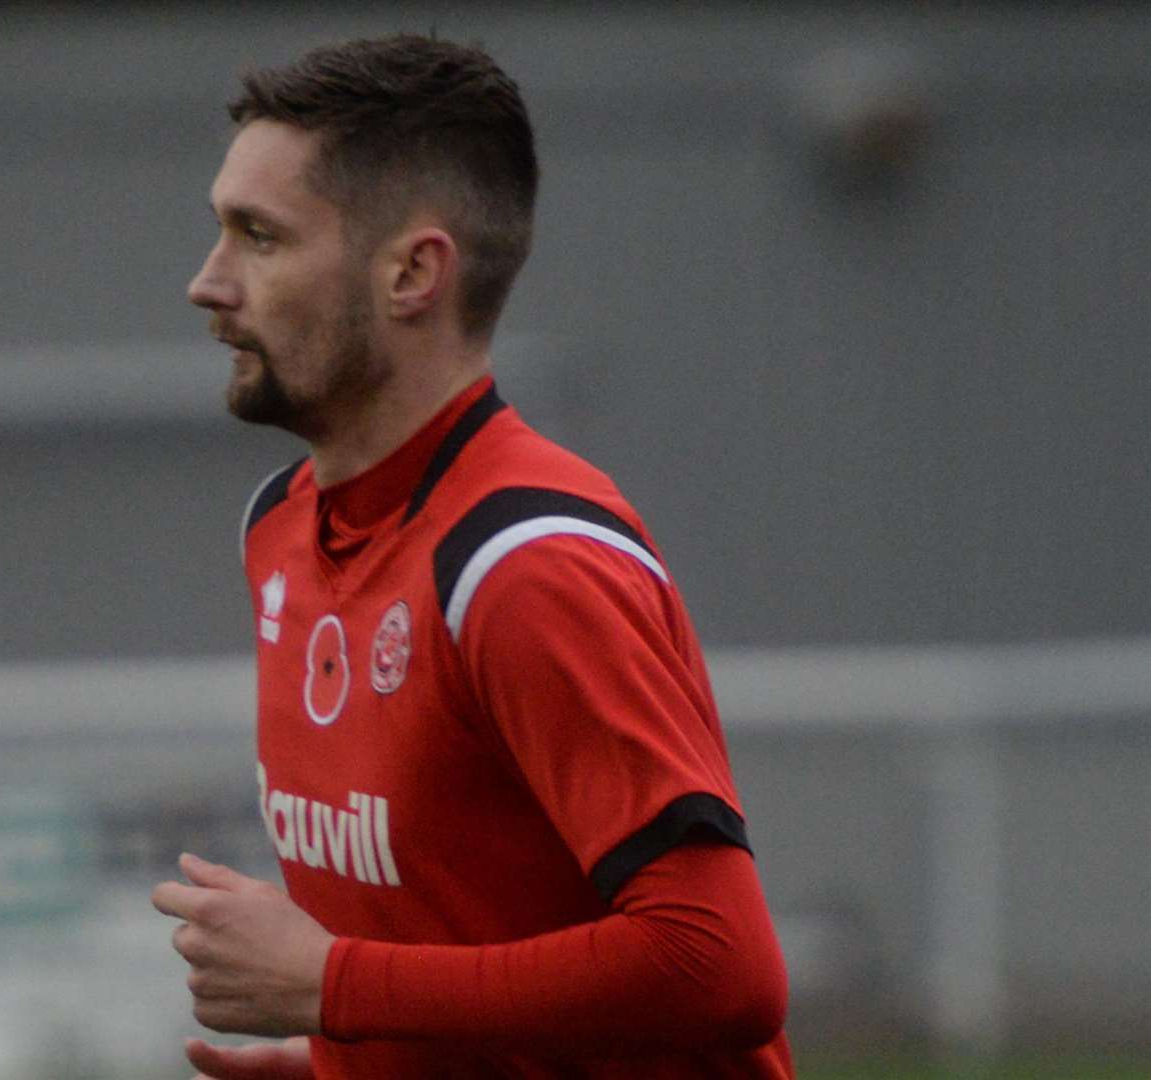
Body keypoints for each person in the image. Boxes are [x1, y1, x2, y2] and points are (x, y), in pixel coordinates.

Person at [152, 33, 794, 1080]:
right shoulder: (280, 525)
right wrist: (348, 1061)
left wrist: (335, 989)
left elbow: (718, 967)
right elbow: (468, 932)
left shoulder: (524, 566)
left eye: (258, 238)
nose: (207, 284)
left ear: (412, 272)